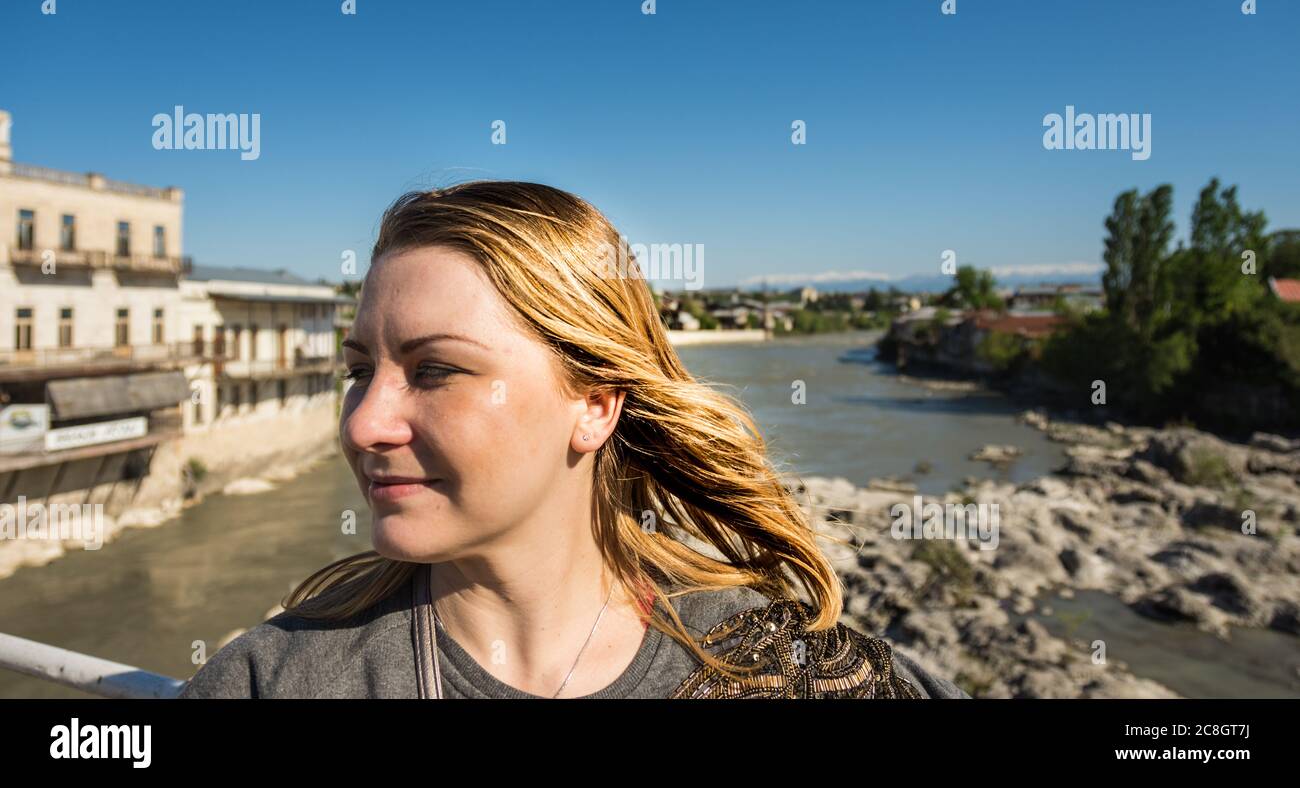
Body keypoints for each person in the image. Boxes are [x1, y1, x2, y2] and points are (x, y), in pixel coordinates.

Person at [178, 180, 970, 699]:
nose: (360, 425)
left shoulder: (784, 670)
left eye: (433, 371)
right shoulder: (275, 681)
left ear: (593, 403)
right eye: (360, 371)